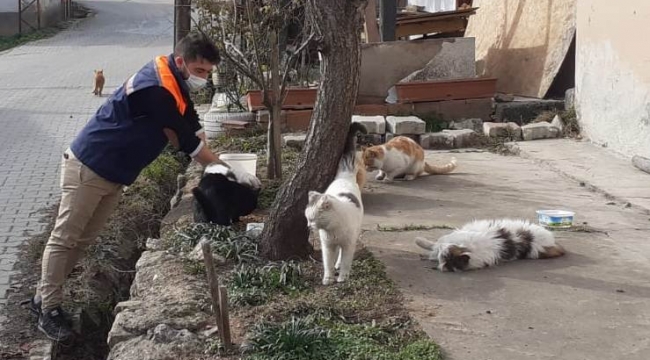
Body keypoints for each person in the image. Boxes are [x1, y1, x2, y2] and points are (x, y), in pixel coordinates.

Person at [29, 32, 261, 342]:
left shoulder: (172, 79)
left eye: (208, 72)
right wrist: (231, 173)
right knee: (65, 237)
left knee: (82, 239)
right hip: (89, 167)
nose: (204, 79)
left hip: (114, 174)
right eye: (200, 71)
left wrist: (213, 155)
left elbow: (193, 124)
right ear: (182, 62)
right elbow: (188, 143)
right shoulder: (158, 89)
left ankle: (44, 297)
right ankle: (49, 310)